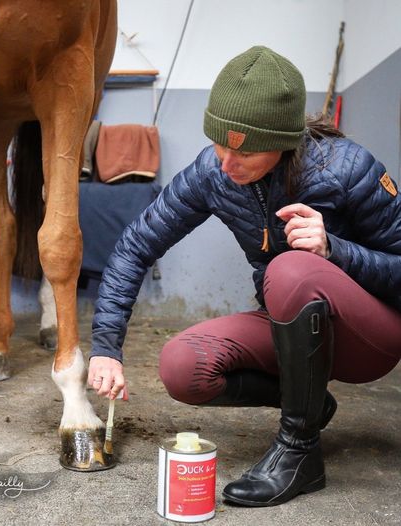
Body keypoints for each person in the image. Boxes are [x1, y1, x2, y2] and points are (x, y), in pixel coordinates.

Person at [87, 46, 401, 506]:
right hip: (292, 322)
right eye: (219, 144)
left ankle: (299, 452)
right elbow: (137, 245)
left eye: (246, 151)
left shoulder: (347, 168)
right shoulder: (212, 172)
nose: (227, 163)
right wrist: (105, 348)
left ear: (285, 141)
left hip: (370, 338)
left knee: (289, 268)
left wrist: (335, 250)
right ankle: (312, 406)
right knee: (183, 367)